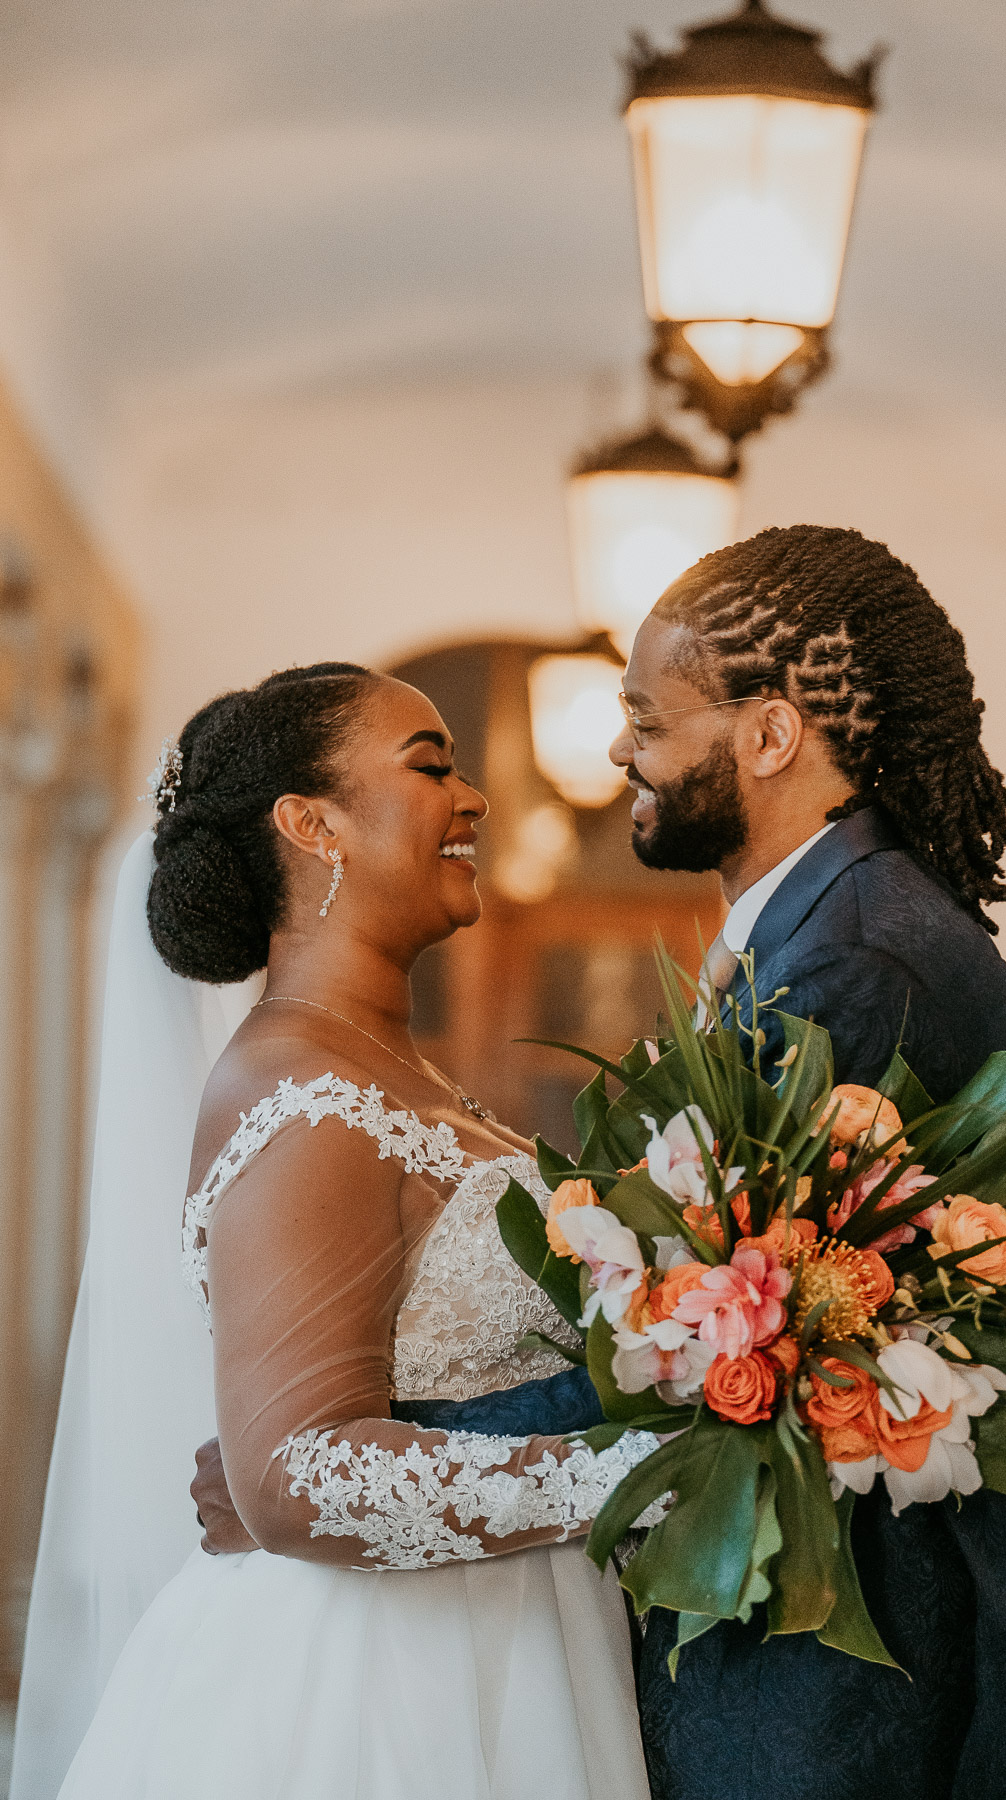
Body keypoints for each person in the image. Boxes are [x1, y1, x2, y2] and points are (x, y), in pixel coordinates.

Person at [193, 526, 1006, 1797]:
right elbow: (713, 1324)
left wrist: (353, 1460)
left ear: (768, 736)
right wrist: (315, 1468)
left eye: (648, 721)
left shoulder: (858, 961)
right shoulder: (806, 940)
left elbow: (762, 1346)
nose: (616, 755)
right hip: (657, 1655)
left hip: (840, 1678)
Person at [42, 663, 659, 1800]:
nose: (471, 799)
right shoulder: (306, 1095)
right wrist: (646, 1474)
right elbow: (292, 1477)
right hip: (384, 1688)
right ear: (309, 824)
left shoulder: (406, 1080)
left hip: (508, 1638)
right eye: (431, 767)